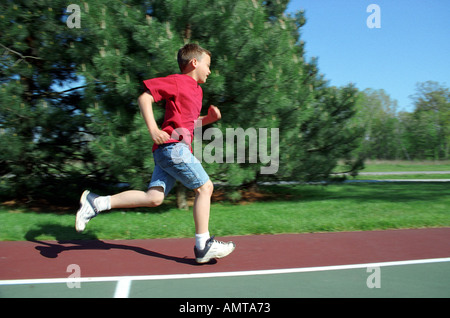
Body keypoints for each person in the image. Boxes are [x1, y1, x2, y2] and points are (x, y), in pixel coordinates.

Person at [75, 43, 235, 264]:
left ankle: (97, 203)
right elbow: (145, 98)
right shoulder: (179, 81)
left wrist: (208, 120)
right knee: (205, 188)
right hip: (172, 148)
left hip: (168, 151)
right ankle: (203, 244)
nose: (210, 70)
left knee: (154, 198)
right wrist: (153, 130)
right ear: (194, 63)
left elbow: (187, 124)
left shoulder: (197, 91)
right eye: (208, 65)